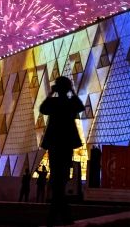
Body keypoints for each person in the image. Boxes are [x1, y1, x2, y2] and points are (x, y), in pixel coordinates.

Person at [39, 76, 84, 226]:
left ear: (57, 88)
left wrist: (51, 94)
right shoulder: (70, 103)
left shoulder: (53, 102)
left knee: (57, 179)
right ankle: (63, 216)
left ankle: (56, 216)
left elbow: (42, 109)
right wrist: (72, 92)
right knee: (61, 179)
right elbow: (80, 106)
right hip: (66, 145)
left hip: (54, 144)